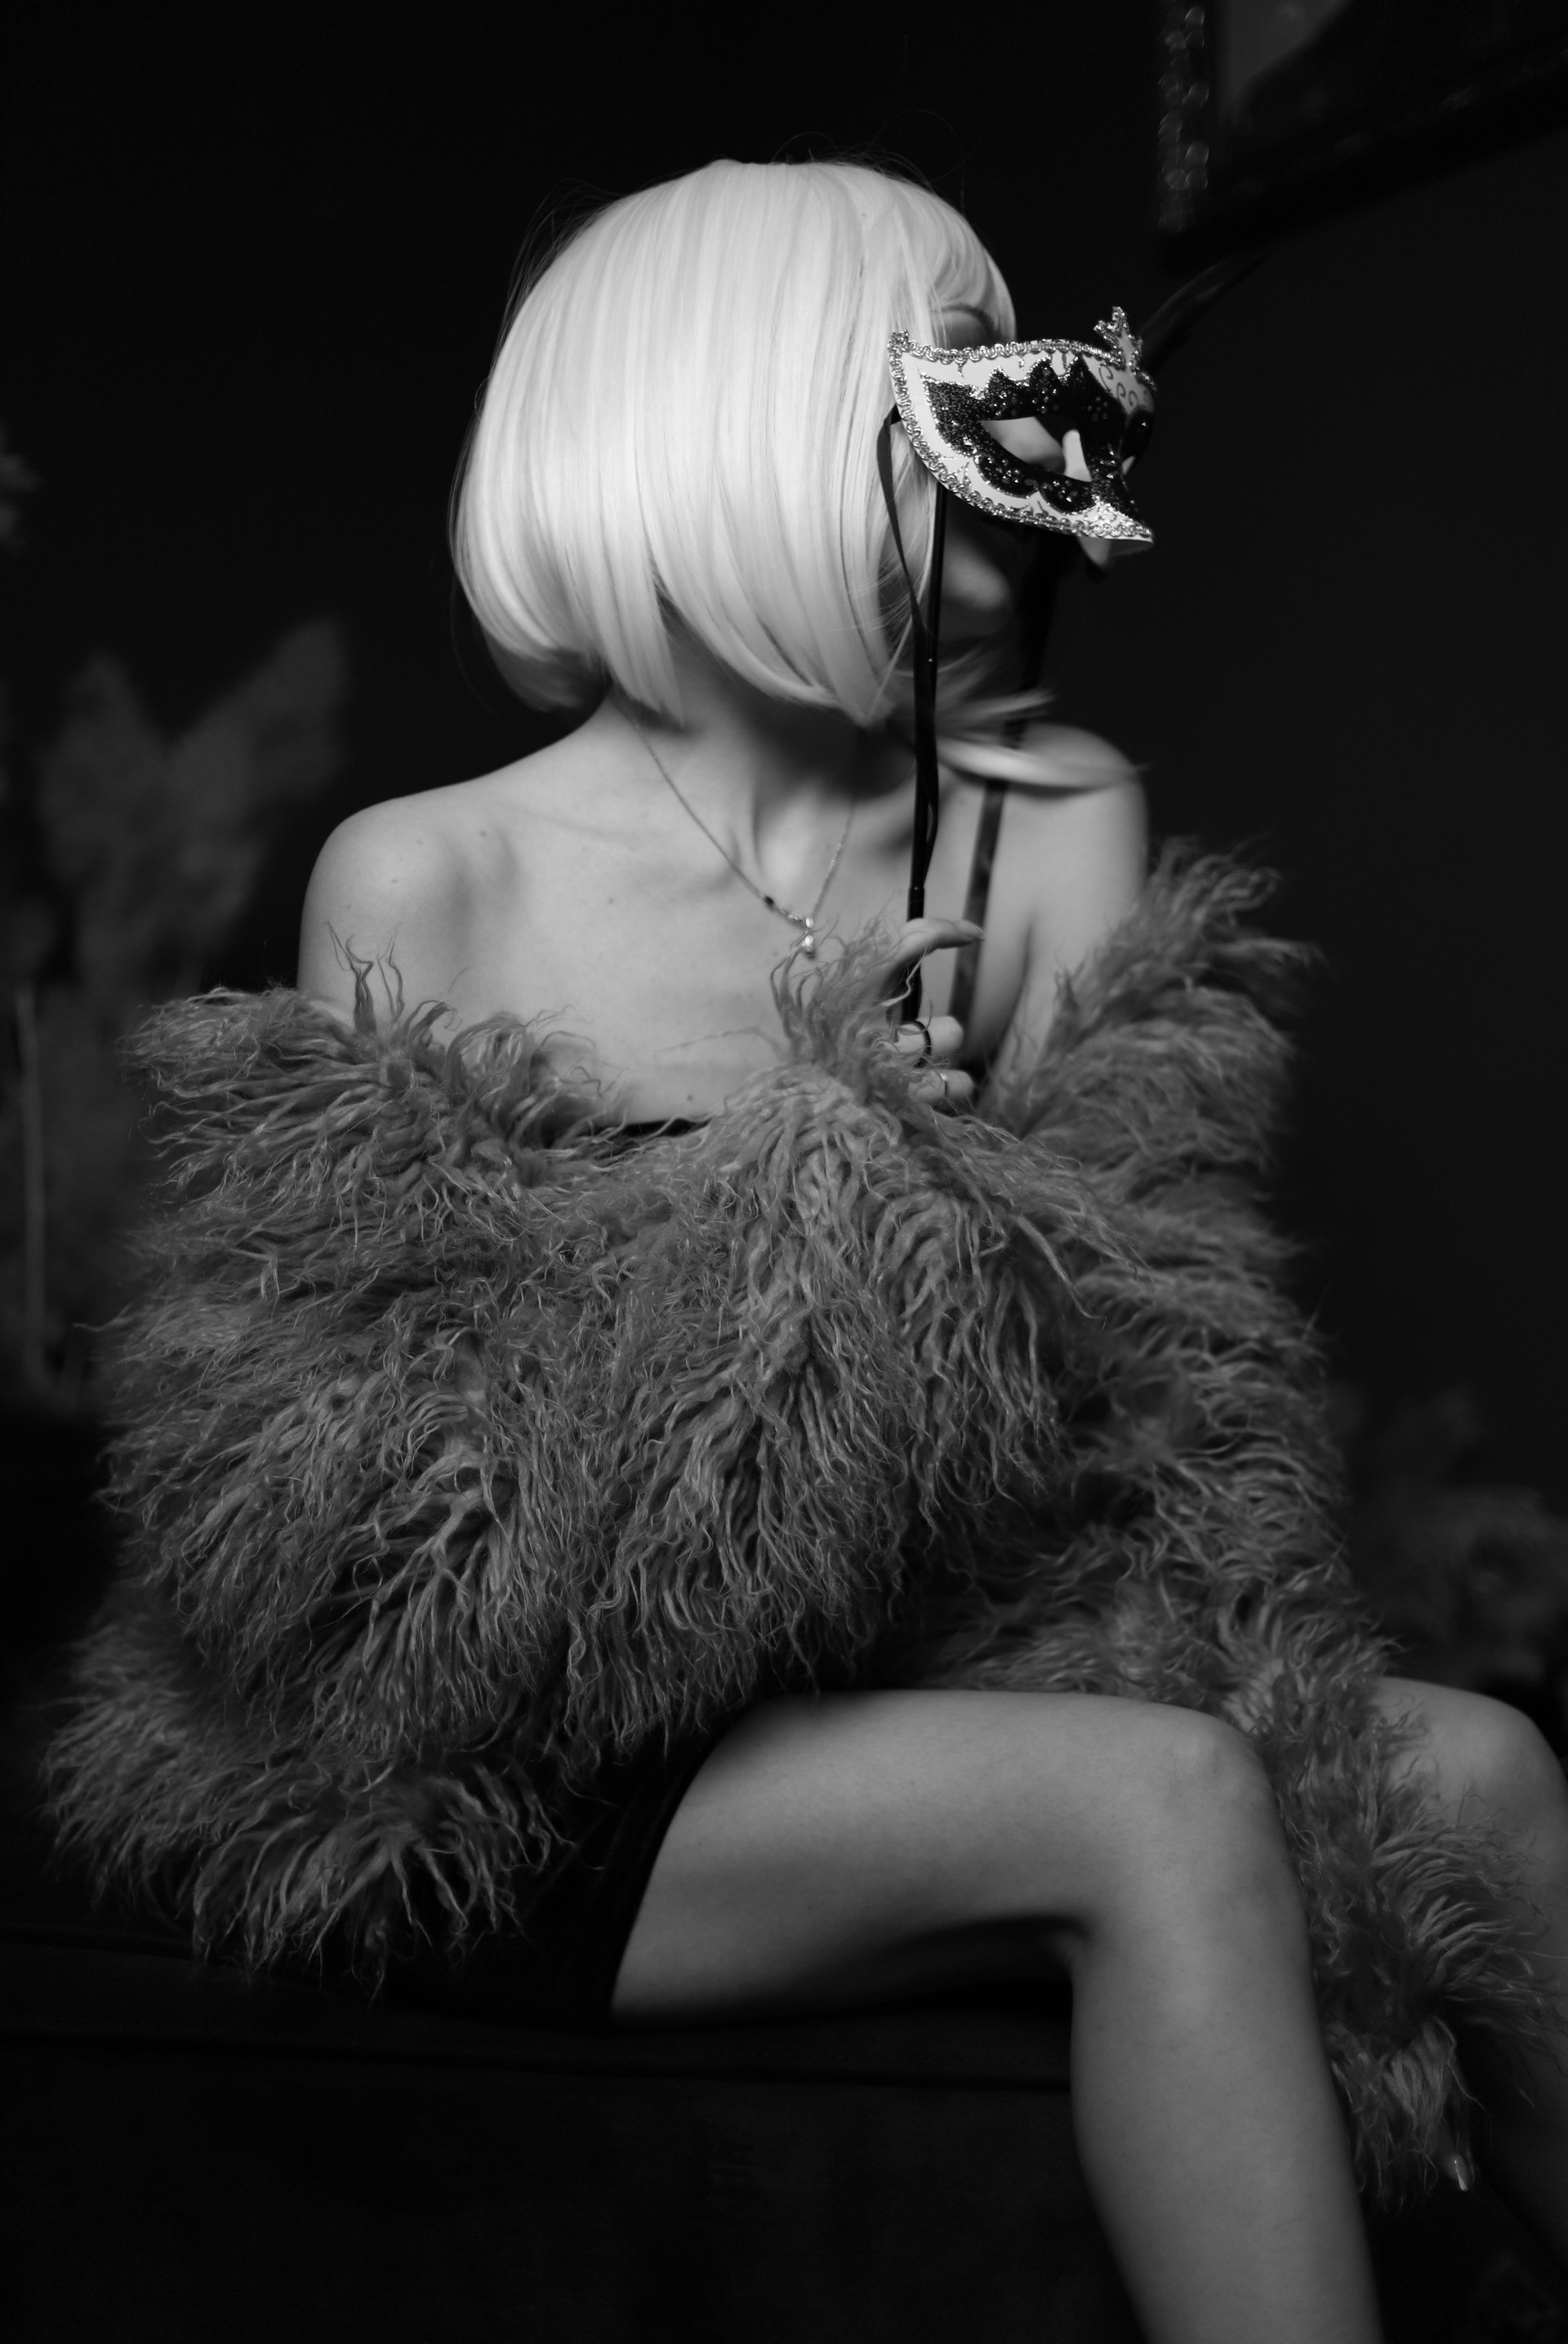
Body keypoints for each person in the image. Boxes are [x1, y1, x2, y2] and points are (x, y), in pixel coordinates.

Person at [106, 158, 1568, 2344]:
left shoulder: (1042, 821)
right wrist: (842, 1197)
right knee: (1163, 1804)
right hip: (528, 1768)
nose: (1018, 473)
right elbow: (364, 1561)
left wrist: (1015, 1253)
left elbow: (1145, 1406)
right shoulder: (430, 883)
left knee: (1491, 1778)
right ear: (740, 432)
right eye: (951, 411)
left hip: (932, 1658)